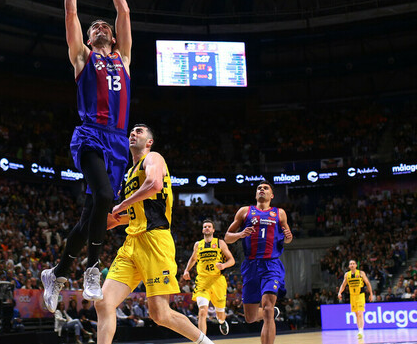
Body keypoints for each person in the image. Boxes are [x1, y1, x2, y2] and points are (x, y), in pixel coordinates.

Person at [42, 0, 133, 311]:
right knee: (106, 195)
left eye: (102, 26)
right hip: (91, 135)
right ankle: (92, 269)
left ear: (110, 35)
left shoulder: (123, 58)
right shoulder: (81, 57)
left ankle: (59, 272)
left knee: (92, 213)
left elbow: (123, 13)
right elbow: (70, 14)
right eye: (93, 26)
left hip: (117, 141)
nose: (98, 27)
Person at [96, 124, 215, 344]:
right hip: (132, 243)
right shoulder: (128, 175)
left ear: (149, 142)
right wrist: (112, 222)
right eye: (131, 131)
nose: (133, 133)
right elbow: (136, 213)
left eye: (139, 131)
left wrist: (121, 205)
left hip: (155, 241)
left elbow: (154, 184)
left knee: (160, 315)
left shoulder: (153, 158)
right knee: (103, 302)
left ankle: (206, 343)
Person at [225, 180, 293, 344]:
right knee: (250, 317)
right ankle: (269, 312)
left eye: (265, 188)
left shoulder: (280, 213)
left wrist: (289, 238)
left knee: (268, 308)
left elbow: (287, 237)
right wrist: (240, 234)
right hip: (251, 266)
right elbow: (227, 237)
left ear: (272, 195)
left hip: (271, 265)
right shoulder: (245, 211)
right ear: (256, 194)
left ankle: (270, 313)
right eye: (259, 188)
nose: (262, 190)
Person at [182, 219, 236, 336]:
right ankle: (203, 340)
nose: (207, 228)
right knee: (202, 311)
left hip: (218, 281)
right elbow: (193, 259)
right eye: (205, 226)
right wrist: (187, 270)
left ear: (213, 229)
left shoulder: (220, 243)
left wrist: (224, 265)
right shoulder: (198, 244)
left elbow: (232, 260)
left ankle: (222, 321)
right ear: (202, 230)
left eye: (209, 226)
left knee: (220, 314)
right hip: (202, 281)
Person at [337, 260, 375, 338]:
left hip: (360, 295)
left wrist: (371, 294)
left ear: (356, 265)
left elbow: (367, 283)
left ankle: (361, 331)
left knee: (360, 313)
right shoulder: (347, 275)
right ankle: (359, 329)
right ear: (349, 266)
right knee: (356, 314)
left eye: (353, 264)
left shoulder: (361, 273)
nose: (352, 265)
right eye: (350, 264)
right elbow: (343, 285)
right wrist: (339, 292)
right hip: (352, 296)